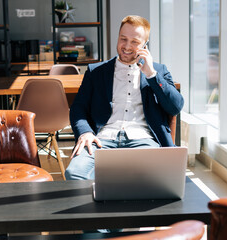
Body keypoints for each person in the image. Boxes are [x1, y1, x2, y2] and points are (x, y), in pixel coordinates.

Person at [65, 15, 184, 180]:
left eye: (134, 42)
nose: (127, 46)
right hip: (101, 139)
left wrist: (151, 75)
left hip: (143, 139)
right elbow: (78, 108)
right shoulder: (96, 71)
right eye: (123, 39)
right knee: (75, 173)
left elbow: (175, 107)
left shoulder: (158, 70)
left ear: (145, 45)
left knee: (154, 176)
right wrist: (85, 132)